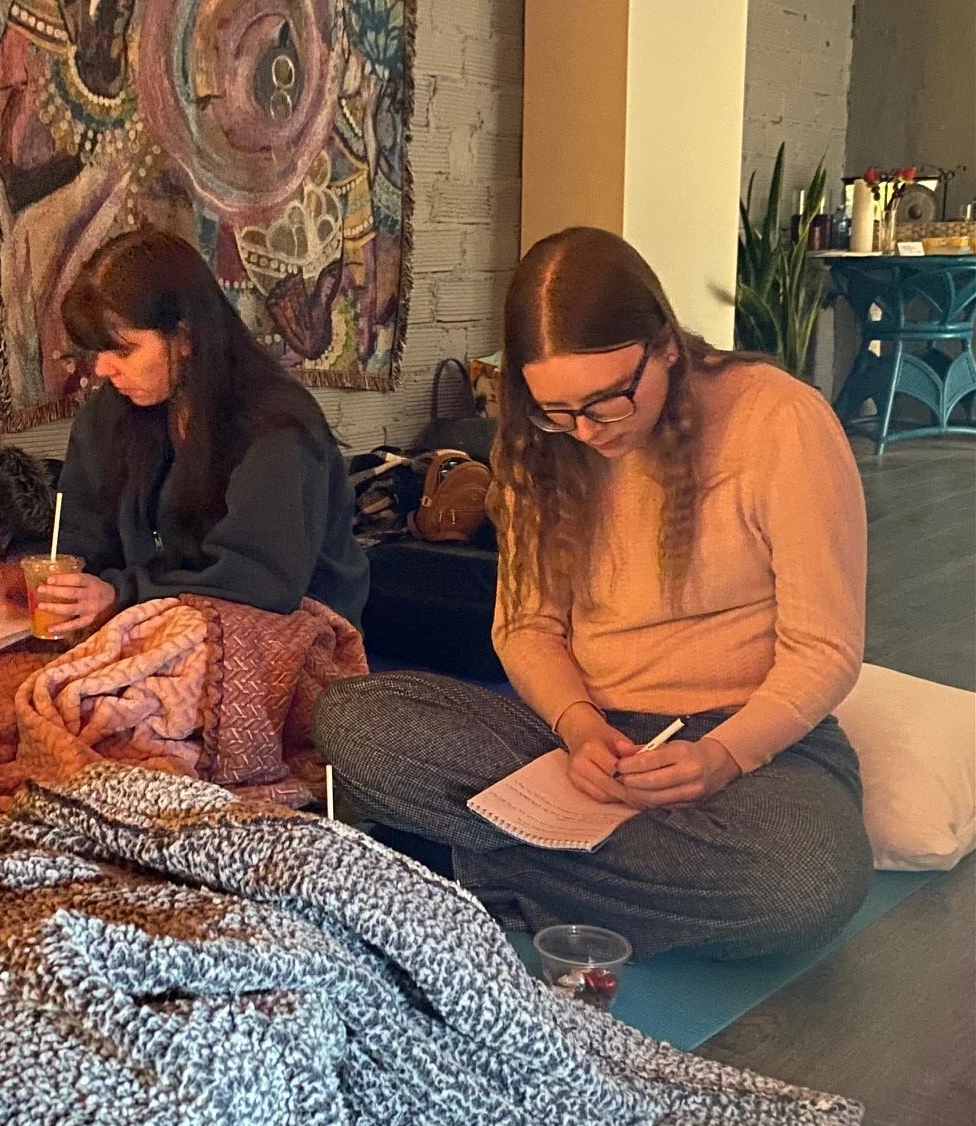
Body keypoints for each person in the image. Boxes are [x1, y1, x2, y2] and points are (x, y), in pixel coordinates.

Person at [317, 226, 873, 959]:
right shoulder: (539, 445)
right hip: (587, 740)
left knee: (806, 881)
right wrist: (578, 727)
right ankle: (594, 874)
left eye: (608, 402)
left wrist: (726, 754)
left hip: (750, 751)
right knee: (349, 718)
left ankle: (461, 866)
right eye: (557, 410)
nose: (586, 431)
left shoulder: (780, 421)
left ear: (666, 344)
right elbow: (527, 628)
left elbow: (825, 649)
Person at [0, 228, 369, 631]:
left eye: (122, 349)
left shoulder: (279, 427)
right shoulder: (112, 412)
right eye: (97, 351)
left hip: (292, 635)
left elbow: (258, 581)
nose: (101, 368)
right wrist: (45, 576)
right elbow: (83, 532)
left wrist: (121, 594)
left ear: (184, 338)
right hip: (161, 623)